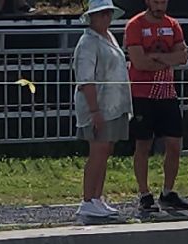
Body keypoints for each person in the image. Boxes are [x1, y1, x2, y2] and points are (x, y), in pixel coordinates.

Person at [124, 0, 188, 218]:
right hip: (142, 94)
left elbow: (182, 56)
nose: (160, 5)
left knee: (174, 144)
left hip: (167, 93)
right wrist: (168, 60)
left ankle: (168, 191)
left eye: (163, 1)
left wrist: (157, 57)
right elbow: (139, 62)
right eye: (156, 1)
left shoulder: (173, 24)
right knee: (143, 144)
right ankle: (144, 193)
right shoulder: (135, 25)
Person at [73, 0, 132, 224]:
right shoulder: (88, 42)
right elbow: (85, 79)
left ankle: (97, 198)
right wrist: (95, 110)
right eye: (101, 14)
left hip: (114, 104)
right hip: (98, 106)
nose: (106, 18)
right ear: (92, 17)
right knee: (97, 151)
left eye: (108, 13)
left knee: (106, 150)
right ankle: (87, 200)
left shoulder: (108, 37)